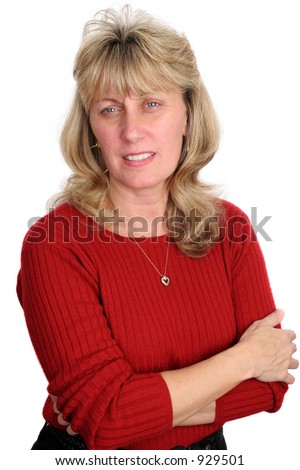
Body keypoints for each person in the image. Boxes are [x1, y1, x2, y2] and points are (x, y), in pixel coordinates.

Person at [17, 5, 298, 450]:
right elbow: (108, 422)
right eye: (110, 109)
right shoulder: (55, 245)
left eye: (151, 104)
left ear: (187, 116)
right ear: (91, 127)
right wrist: (245, 359)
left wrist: (133, 410)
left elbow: (271, 386)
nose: (132, 131)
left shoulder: (231, 229)